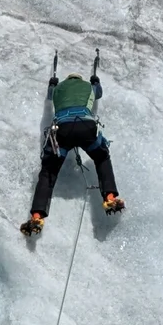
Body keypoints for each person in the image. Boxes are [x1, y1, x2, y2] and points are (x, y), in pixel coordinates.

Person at [22, 67, 124, 235]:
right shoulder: (87, 86)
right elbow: (98, 93)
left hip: (62, 131)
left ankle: (37, 216)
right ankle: (110, 197)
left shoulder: (58, 89)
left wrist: (52, 83)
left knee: (48, 173)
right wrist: (95, 81)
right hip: (86, 127)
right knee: (101, 157)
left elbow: (49, 94)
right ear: (79, 79)